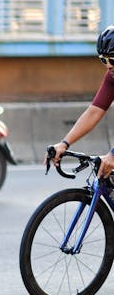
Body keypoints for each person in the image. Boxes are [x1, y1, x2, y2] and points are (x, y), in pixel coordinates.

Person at [47, 25, 114, 179]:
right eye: (104, 60)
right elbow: (94, 111)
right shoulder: (112, 76)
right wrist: (64, 143)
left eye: (113, 59)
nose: (109, 65)